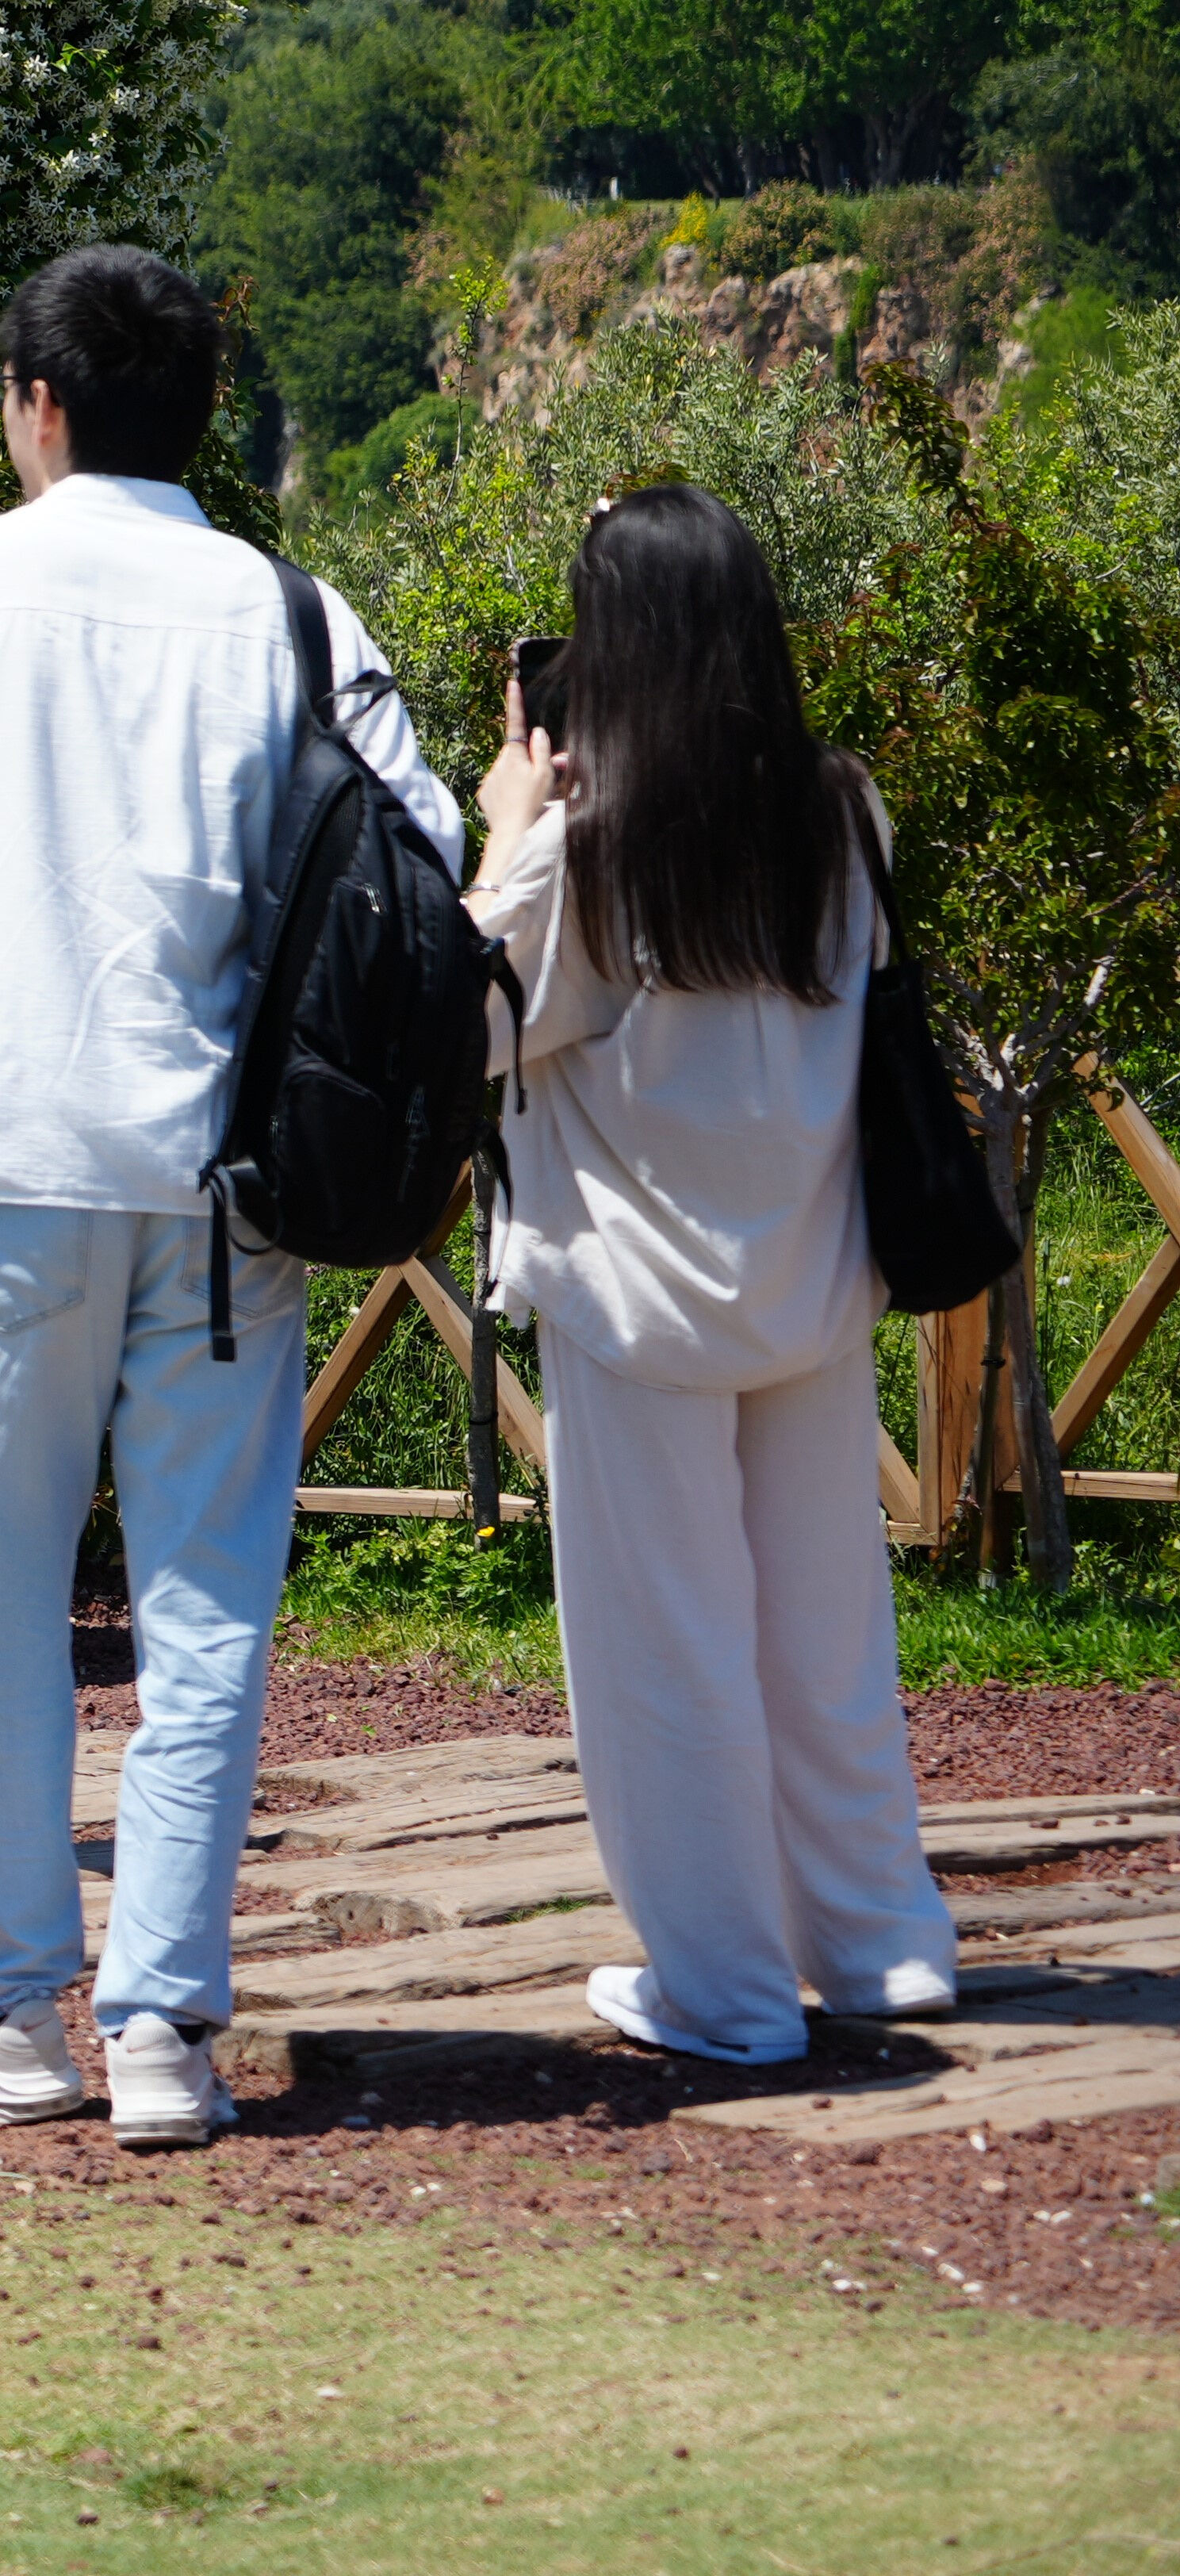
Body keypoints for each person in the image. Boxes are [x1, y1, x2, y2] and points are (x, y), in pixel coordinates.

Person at [0, 246, 459, 2151]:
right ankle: (162, 2027)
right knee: (206, 1609)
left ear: (37, 402)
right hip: (224, 1179)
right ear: (198, 406)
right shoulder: (289, 609)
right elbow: (427, 844)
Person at [467, 483, 961, 2062]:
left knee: (664, 1653)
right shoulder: (840, 810)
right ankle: (879, 1941)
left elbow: (462, 1021)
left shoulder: (589, 850)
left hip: (635, 1301)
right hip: (809, 1280)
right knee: (827, 1637)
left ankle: (727, 1991)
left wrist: (506, 823)